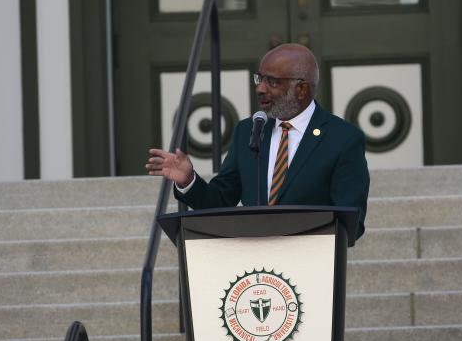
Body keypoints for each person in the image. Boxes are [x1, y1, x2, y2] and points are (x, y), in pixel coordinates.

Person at [145, 43, 370, 237]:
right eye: (259, 78)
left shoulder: (343, 139)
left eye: (272, 82)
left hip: (310, 263)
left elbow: (351, 222)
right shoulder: (250, 131)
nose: (260, 88)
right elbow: (221, 200)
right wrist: (188, 180)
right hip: (254, 265)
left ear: (301, 89)